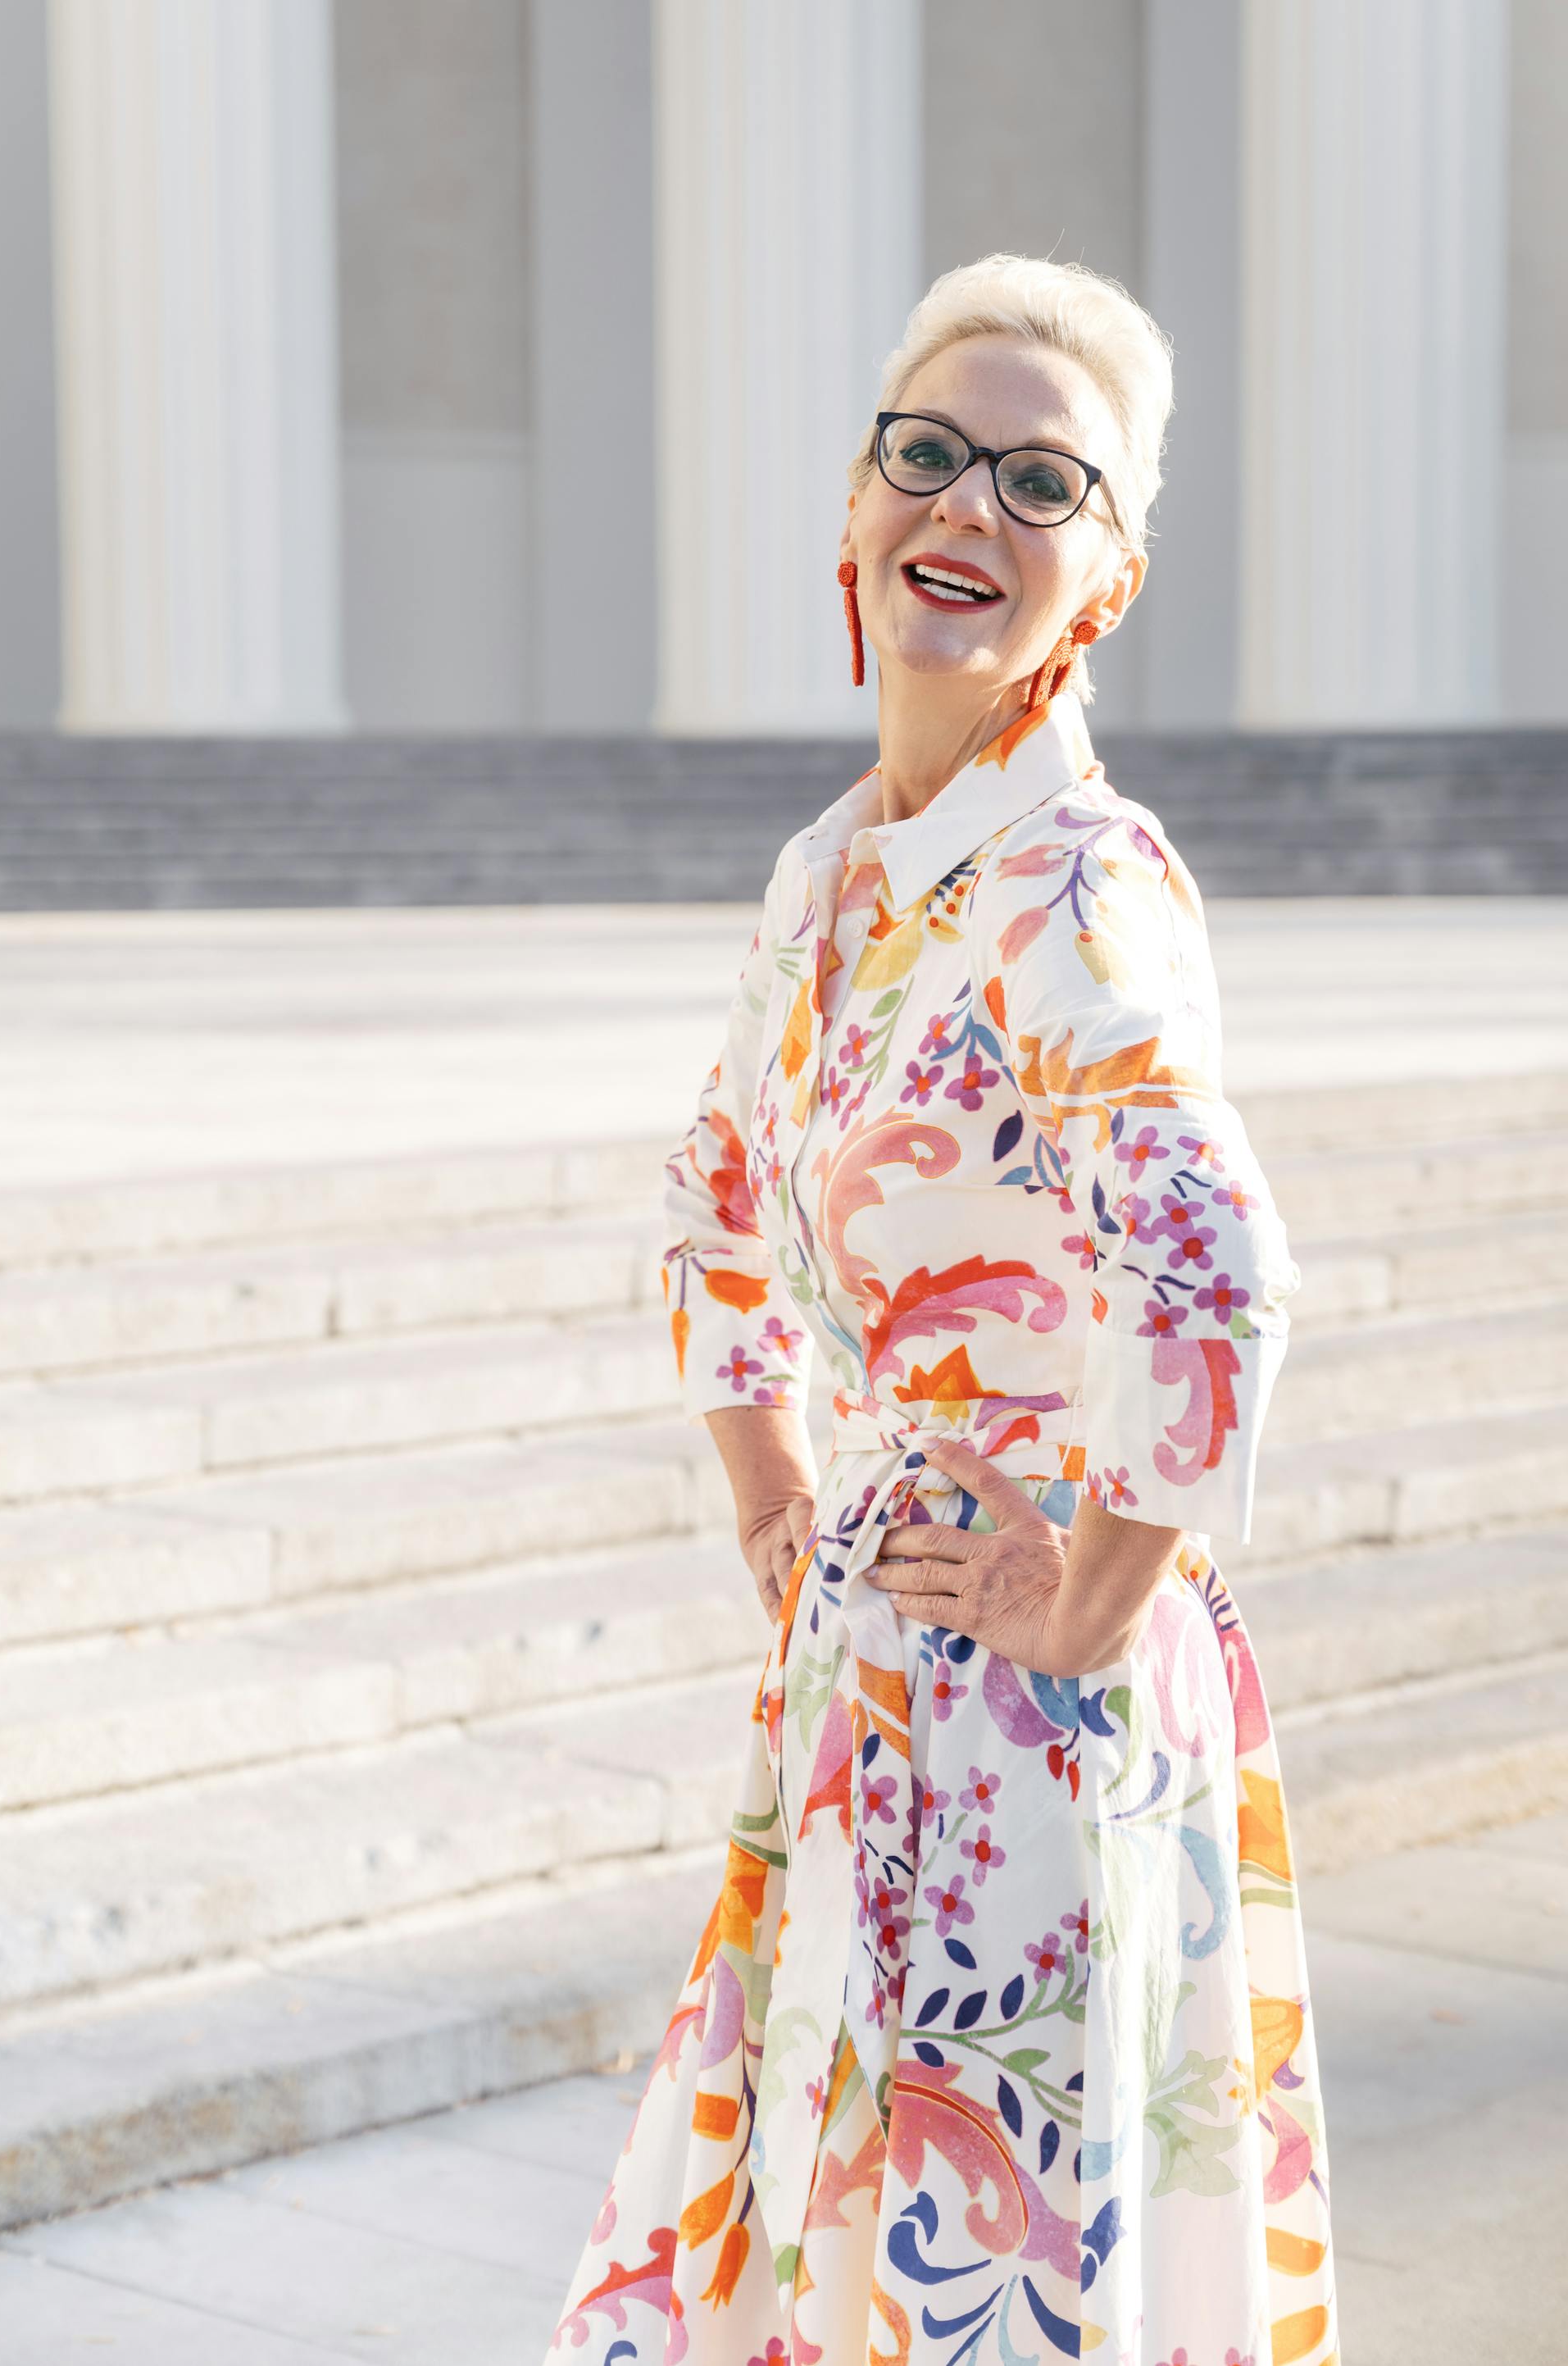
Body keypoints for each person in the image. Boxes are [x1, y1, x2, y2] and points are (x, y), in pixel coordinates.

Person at [545, 253, 1337, 2366]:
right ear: (857, 505)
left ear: (1108, 577)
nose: (967, 505)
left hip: (1025, 1725)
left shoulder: (1078, 881)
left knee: (971, 2278)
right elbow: (716, 1192)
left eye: (1040, 481)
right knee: (815, 2239)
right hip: (862, 1674)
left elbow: (1215, 1265)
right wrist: (771, 1490)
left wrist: (1089, 1597)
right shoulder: (834, 875)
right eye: (930, 452)